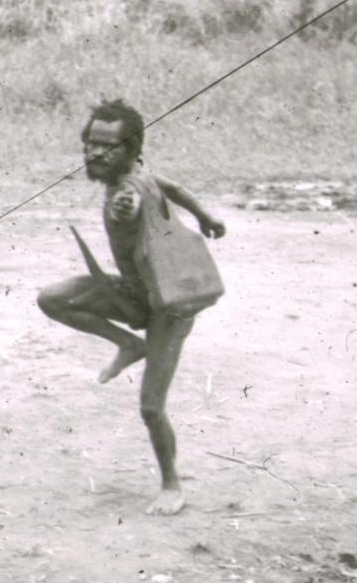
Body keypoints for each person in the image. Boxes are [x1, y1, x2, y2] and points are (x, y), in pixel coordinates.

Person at [37, 99, 225, 515]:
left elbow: (132, 202)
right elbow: (170, 185)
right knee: (52, 298)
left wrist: (131, 209)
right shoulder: (137, 174)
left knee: (150, 407)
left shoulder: (126, 192)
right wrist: (206, 216)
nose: (94, 153)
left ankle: (171, 485)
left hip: (170, 307)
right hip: (134, 292)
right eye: (91, 143)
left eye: (109, 146)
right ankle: (127, 345)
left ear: (131, 149)